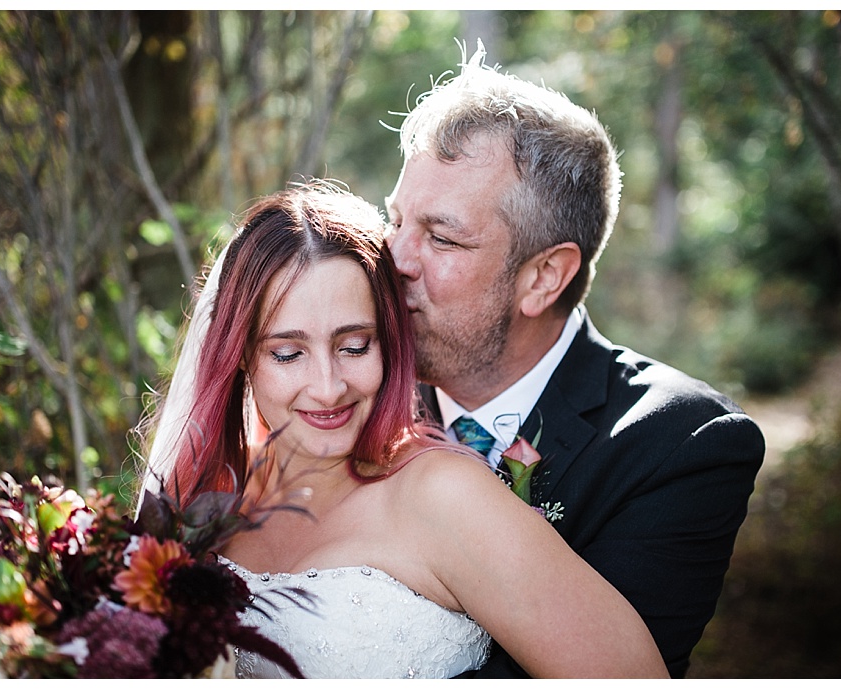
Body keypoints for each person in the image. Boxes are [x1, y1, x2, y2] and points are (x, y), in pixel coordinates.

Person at [138, 182, 669, 679]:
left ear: (389, 343)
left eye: (354, 346)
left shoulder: (447, 497)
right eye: (287, 353)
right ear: (241, 357)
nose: (327, 387)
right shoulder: (205, 499)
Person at [383, 43, 766, 679]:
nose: (393, 257)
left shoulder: (681, 447)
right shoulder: (341, 398)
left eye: (442, 237)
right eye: (394, 220)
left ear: (545, 277)